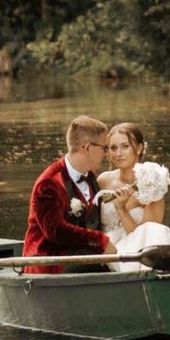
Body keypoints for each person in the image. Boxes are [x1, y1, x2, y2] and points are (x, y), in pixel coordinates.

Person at [22, 115, 116, 274]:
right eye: (104, 148)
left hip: (82, 255)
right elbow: (55, 231)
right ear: (87, 148)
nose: (106, 154)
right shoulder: (49, 183)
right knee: (102, 268)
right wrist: (99, 241)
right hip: (50, 261)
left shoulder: (90, 177)